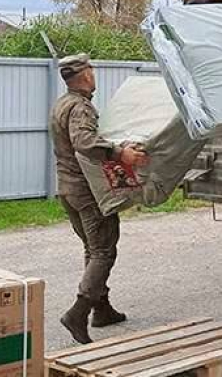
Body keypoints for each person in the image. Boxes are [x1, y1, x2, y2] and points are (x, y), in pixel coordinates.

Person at [49, 53, 149, 344]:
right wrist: (121, 153)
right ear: (86, 75)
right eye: (91, 69)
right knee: (104, 251)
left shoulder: (63, 103)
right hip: (86, 191)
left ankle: (101, 309)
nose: (94, 73)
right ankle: (77, 313)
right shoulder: (80, 107)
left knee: (93, 249)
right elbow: (84, 143)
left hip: (67, 188)